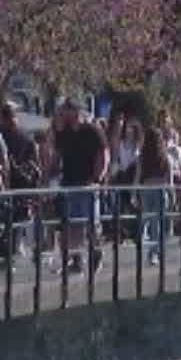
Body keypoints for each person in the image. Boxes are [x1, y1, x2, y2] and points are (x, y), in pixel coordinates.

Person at [53, 101, 108, 273]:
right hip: (69, 183)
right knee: (71, 225)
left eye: (69, 111)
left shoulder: (93, 131)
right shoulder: (63, 133)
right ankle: (76, 260)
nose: (67, 115)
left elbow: (104, 154)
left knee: (91, 224)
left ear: (78, 112)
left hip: (87, 184)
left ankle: (96, 255)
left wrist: (97, 179)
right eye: (64, 112)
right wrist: (49, 174)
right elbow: (57, 155)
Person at [135, 124, 173, 266]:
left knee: (150, 221)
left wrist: (134, 193)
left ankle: (151, 250)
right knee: (159, 224)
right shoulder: (165, 157)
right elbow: (169, 180)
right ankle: (155, 252)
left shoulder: (142, 157)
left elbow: (137, 177)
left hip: (146, 190)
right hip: (160, 190)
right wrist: (173, 195)